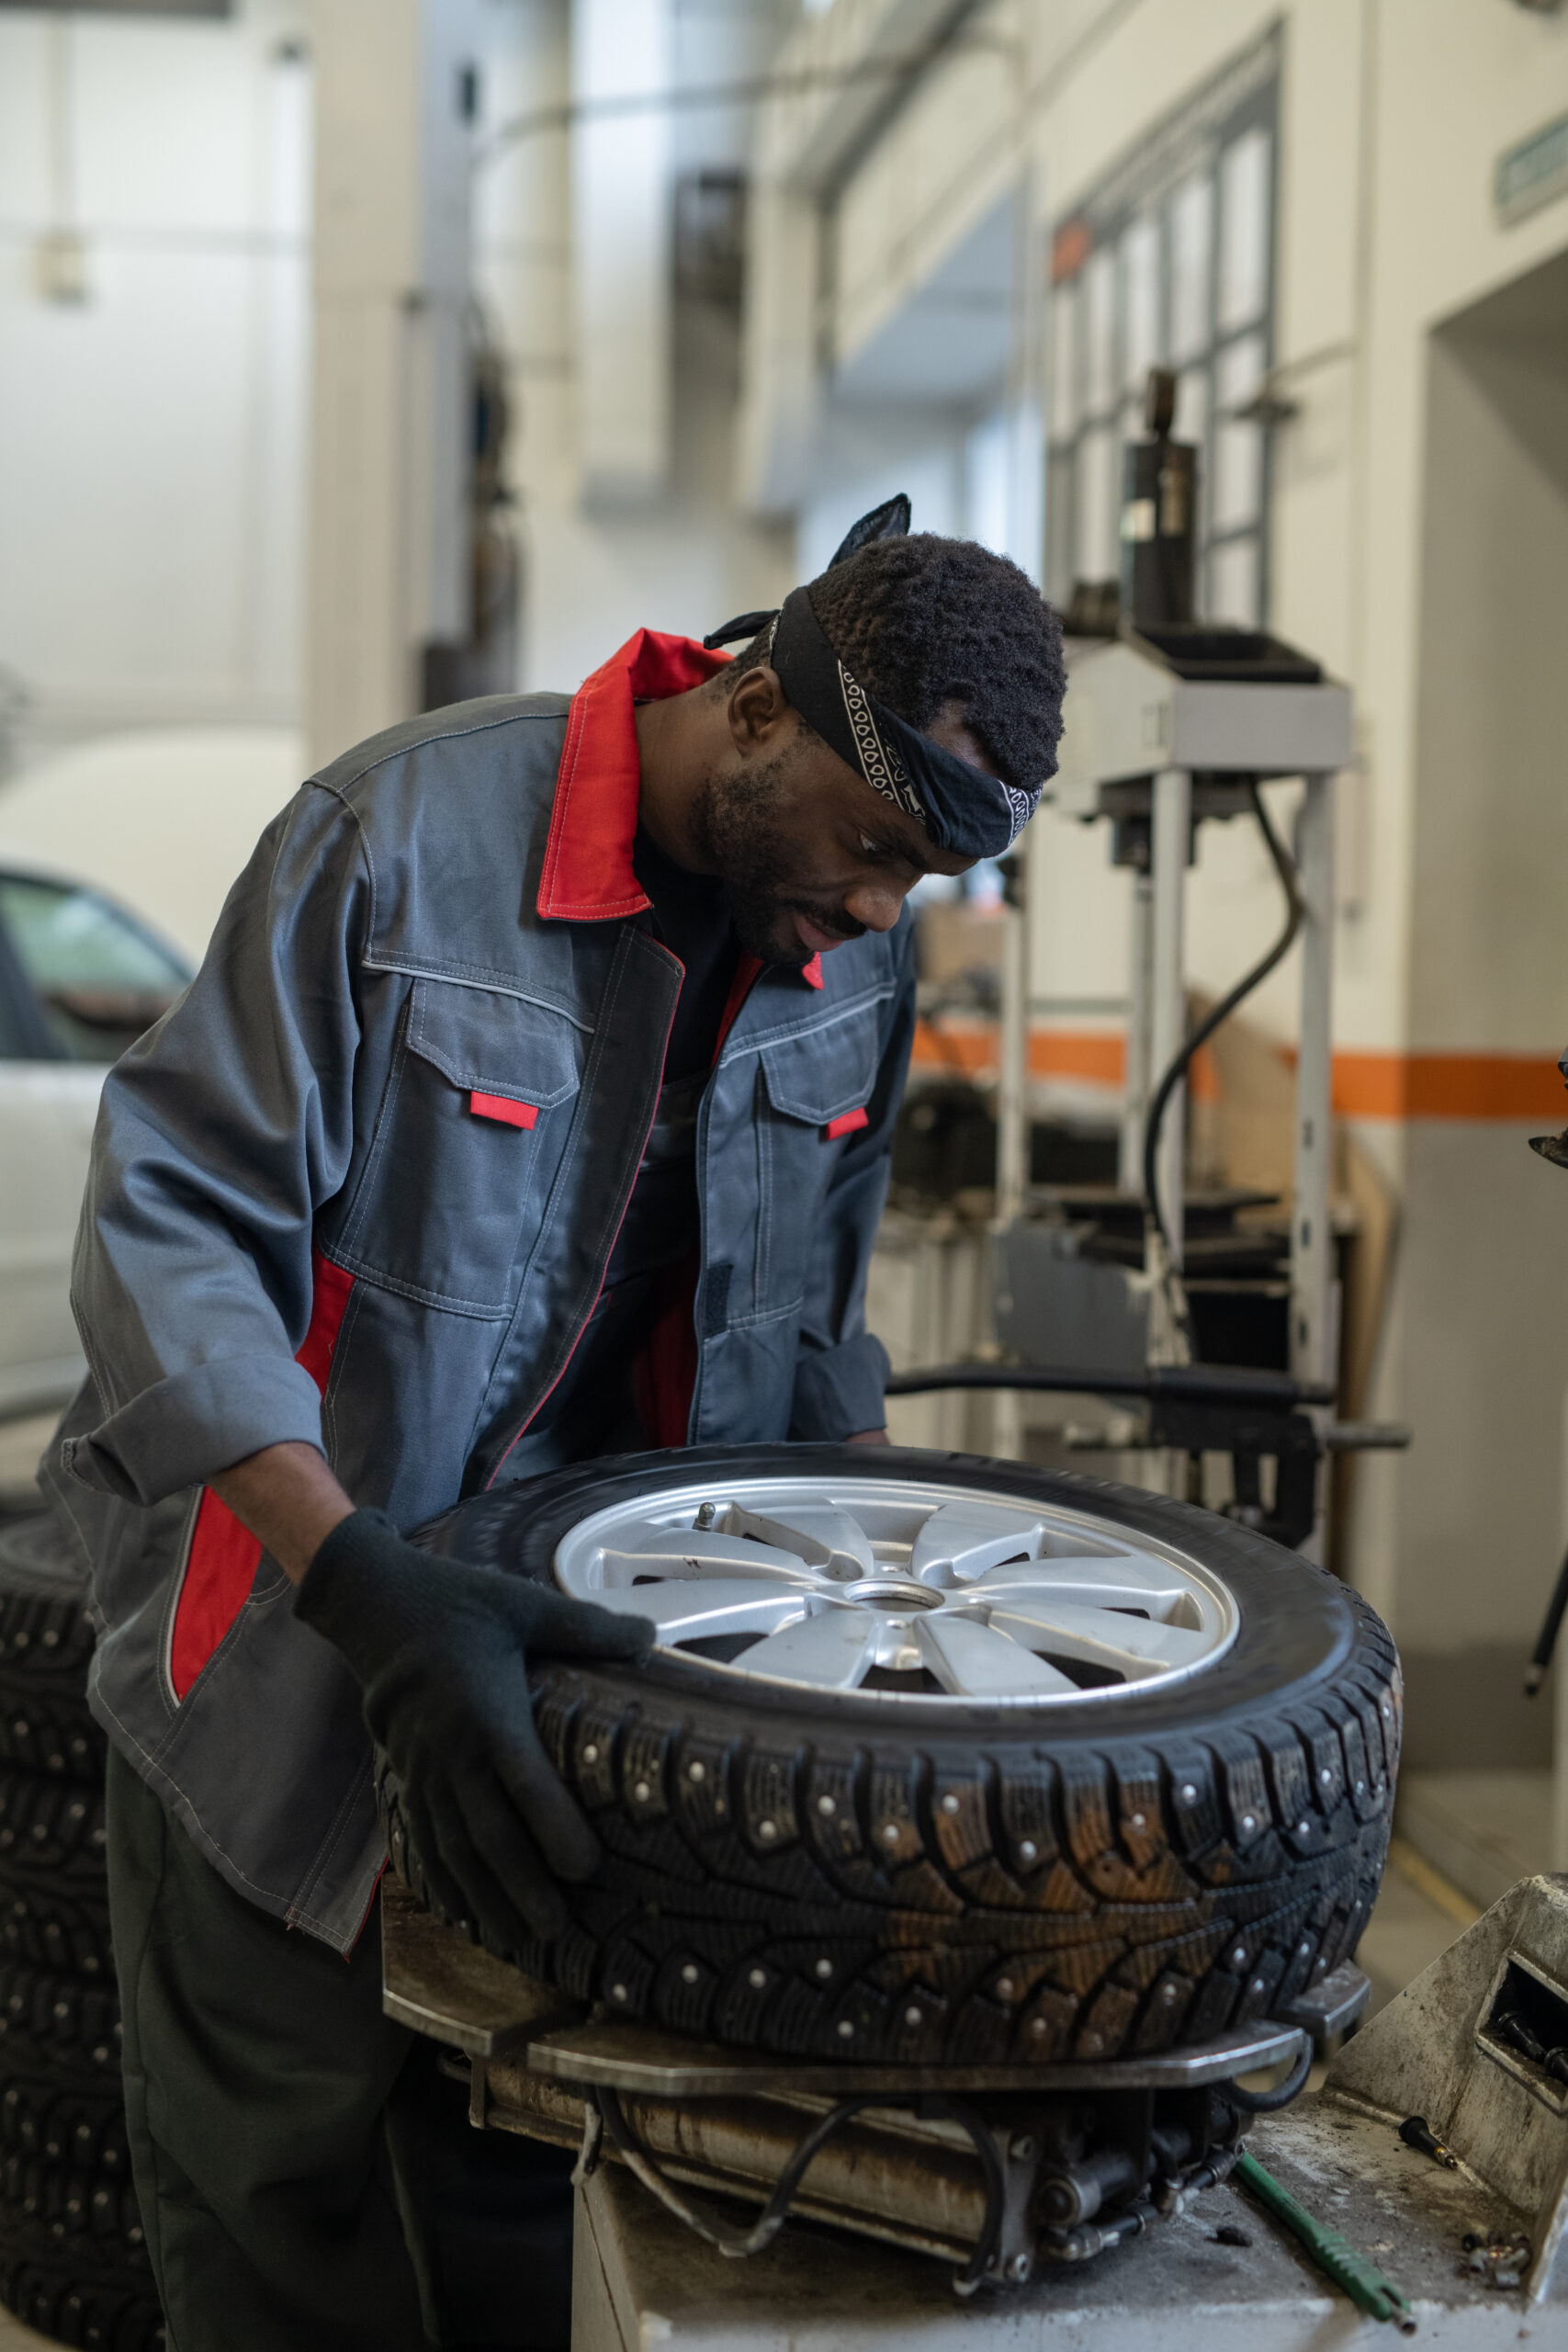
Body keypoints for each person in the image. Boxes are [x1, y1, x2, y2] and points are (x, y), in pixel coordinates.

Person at [41, 500, 1066, 2346]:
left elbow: (815, 1333)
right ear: (757, 712)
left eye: (918, 877)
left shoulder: (848, 964)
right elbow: (168, 1225)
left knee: (548, 2191)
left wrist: (875, 1657)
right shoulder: (396, 843)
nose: (869, 908)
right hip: (287, 1647)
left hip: (599, 1694)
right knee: (285, 2219)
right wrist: (354, 1572)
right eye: (868, 844)